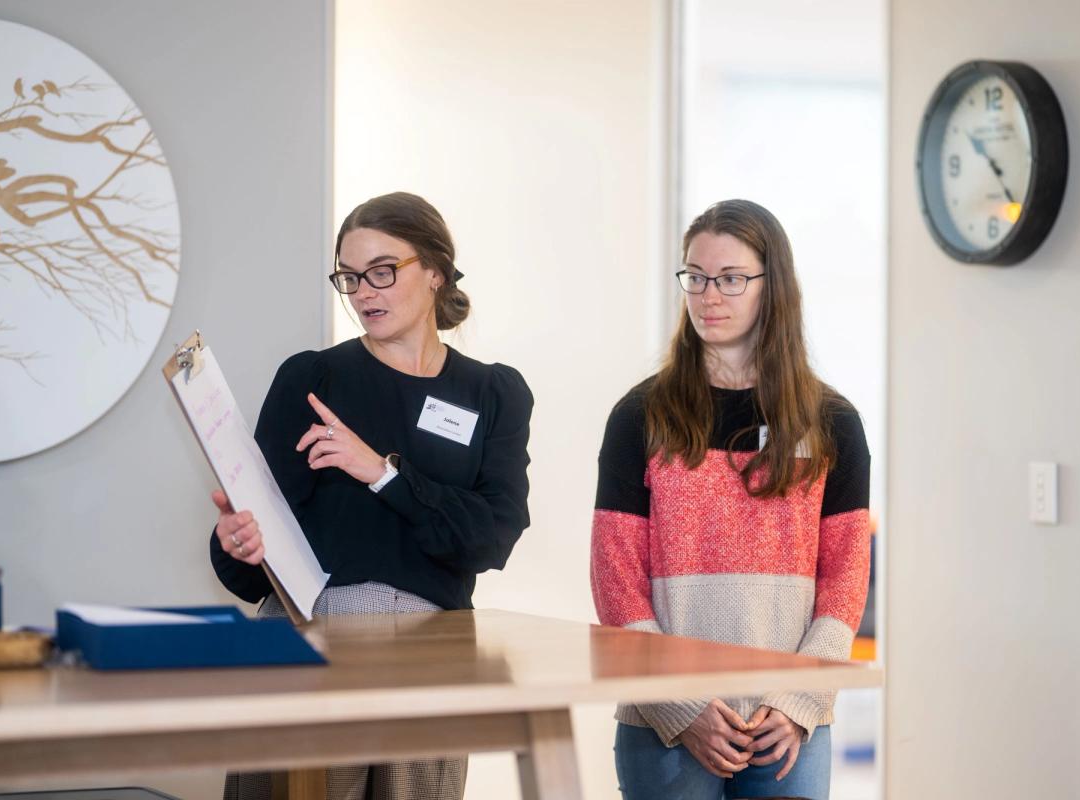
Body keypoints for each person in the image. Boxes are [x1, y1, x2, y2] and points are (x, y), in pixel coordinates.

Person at [211, 191, 534, 800]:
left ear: (436, 270)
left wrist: (382, 473)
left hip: (433, 658)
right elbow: (255, 565)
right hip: (310, 644)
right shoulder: (312, 379)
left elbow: (491, 538)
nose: (364, 292)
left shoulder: (492, 392)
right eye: (350, 277)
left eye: (383, 272)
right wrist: (237, 542)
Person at [591, 199, 871, 800]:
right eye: (695, 276)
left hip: (787, 728)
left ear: (775, 287)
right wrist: (681, 706)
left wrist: (798, 700)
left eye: (731, 279)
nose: (708, 295)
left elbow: (846, 576)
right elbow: (616, 578)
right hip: (665, 724)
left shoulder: (832, 421)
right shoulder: (640, 415)